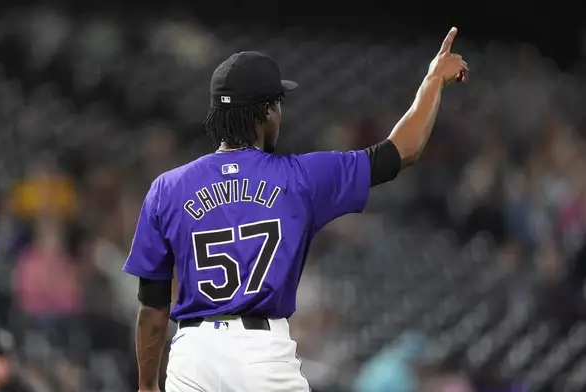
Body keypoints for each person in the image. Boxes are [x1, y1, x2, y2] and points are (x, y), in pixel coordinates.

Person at [123, 27, 469, 392]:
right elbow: (401, 151)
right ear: (266, 112)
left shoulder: (167, 188)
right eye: (277, 104)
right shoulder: (300, 177)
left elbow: (152, 307)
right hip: (261, 353)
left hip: (193, 355)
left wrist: (147, 385)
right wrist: (432, 80)